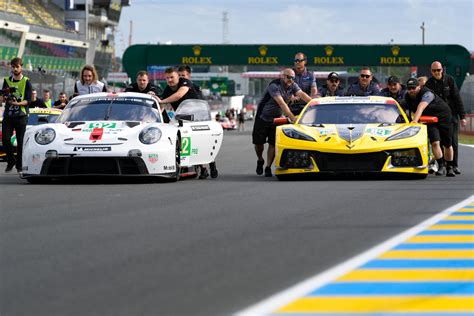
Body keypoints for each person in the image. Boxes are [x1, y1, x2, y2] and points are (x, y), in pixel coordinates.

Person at [252, 68, 311, 177]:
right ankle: (260, 160)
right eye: (289, 77)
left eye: (293, 78)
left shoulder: (293, 85)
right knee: (259, 144)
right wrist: (293, 118)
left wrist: (314, 103)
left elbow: (302, 94)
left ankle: (268, 167)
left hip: (277, 118)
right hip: (263, 117)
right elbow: (282, 104)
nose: (291, 80)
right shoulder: (274, 86)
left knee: (273, 143)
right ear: (283, 76)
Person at [404, 77, 455, 177]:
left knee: (447, 144)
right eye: (409, 88)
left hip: (443, 116)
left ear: (419, 87)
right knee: (435, 143)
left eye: (413, 88)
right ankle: (440, 166)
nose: (411, 91)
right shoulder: (407, 97)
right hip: (429, 120)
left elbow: (421, 107)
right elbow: (408, 110)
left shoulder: (427, 93)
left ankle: (450, 167)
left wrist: (414, 121)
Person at [425, 61, 467, 174]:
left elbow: (457, 98)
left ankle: (454, 165)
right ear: (431, 71)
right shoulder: (428, 84)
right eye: (434, 70)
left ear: (442, 70)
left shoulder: (449, 80)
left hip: (452, 115)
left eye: (438, 70)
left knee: (452, 141)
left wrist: (462, 116)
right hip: (437, 117)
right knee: (438, 141)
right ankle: (441, 165)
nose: (436, 72)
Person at [176, 65, 218, 179]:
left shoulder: (194, 87)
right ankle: (203, 169)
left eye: (183, 76)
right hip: (183, 121)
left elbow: (200, 104)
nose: (181, 78)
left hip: (199, 119)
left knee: (204, 143)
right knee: (192, 145)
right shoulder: (175, 87)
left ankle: (212, 164)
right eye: (179, 76)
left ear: (189, 76)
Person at [1, 57, 32, 172]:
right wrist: (4, 98)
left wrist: (18, 103)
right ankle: (11, 161)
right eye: (13, 67)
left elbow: (28, 100)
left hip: (21, 115)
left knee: (20, 142)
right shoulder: (7, 80)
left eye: (17, 66)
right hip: (8, 115)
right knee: (5, 139)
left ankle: (19, 164)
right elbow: (4, 96)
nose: (15, 69)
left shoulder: (26, 81)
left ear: (21, 67)